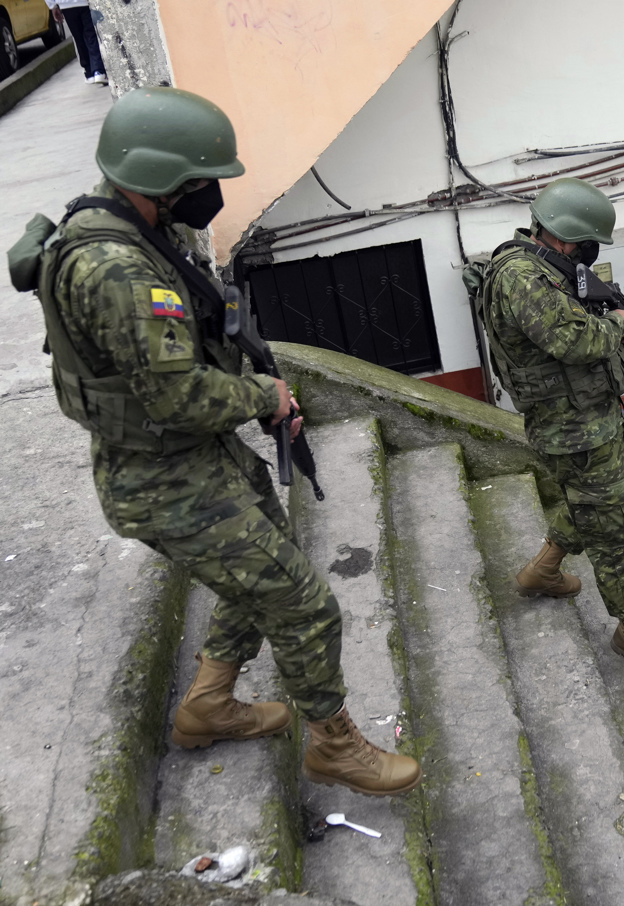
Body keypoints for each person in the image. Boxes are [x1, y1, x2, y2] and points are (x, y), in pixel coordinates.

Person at [31, 87, 420, 796]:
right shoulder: (117, 269)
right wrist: (264, 397)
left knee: (266, 566)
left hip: (190, 455)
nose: (211, 194)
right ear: (163, 181)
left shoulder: (137, 228)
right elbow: (176, 397)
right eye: (202, 181)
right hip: (162, 479)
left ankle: (208, 704)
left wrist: (259, 392)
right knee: (304, 604)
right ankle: (335, 746)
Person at [477, 177, 624, 678]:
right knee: (615, 530)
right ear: (568, 235)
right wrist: (619, 324)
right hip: (574, 433)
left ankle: (543, 569)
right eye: (589, 243)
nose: (590, 253)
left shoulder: (538, 267)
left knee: (602, 501)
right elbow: (575, 341)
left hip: (593, 420)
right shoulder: (520, 277)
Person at [44, 0, 106, 84]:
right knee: (91, 35)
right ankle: (98, 70)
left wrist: (53, 6)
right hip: (85, 3)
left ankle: (89, 73)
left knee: (78, 38)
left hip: (66, 5)